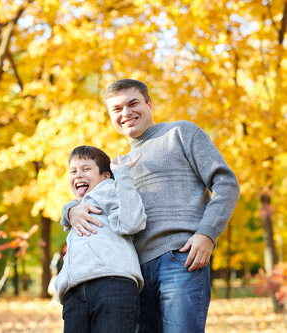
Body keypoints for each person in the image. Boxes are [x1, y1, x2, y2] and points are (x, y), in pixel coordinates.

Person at [61, 79, 240, 332]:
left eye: (133, 103)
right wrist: (70, 210)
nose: (126, 113)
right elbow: (90, 199)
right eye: (117, 109)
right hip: (134, 274)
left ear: (149, 103)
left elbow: (226, 183)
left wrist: (207, 234)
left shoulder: (180, 133)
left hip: (181, 259)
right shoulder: (116, 166)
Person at [56, 145, 146, 333]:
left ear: (105, 176)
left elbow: (131, 223)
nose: (78, 175)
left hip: (111, 283)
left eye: (86, 169)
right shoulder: (78, 209)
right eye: (73, 171)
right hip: (76, 291)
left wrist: (122, 177)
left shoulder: (108, 190)